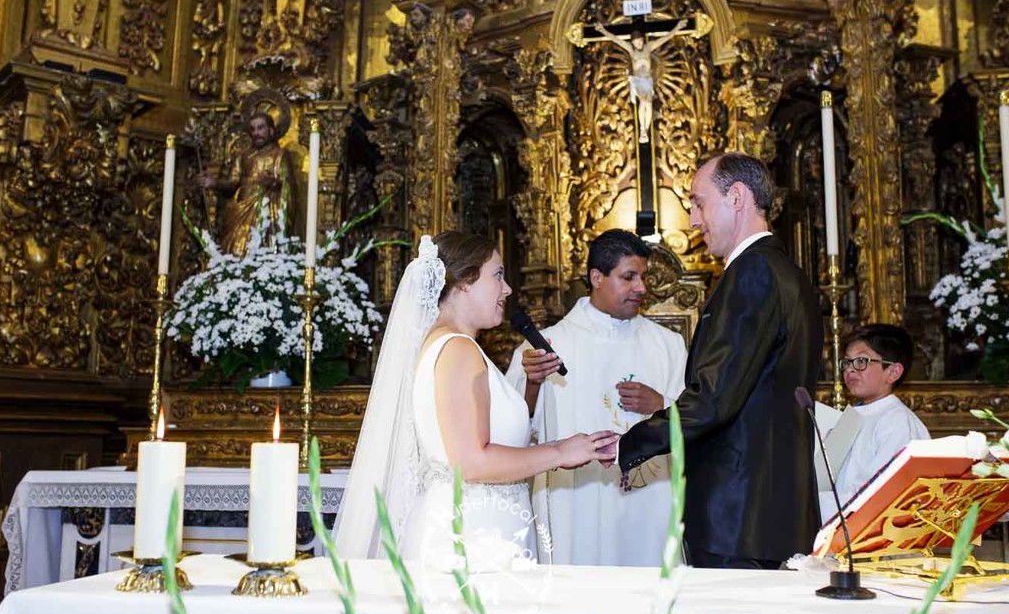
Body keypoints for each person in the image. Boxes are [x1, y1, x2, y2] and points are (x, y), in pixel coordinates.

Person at [334, 232, 618, 562]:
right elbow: (471, 461)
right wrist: (560, 451)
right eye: (497, 275)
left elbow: (490, 434)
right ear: (466, 281)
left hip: (479, 524)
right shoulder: (458, 350)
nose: (507, 289)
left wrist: (532, 385)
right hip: (473, 535)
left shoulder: (452, 346)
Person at [617, 152, 824, 569]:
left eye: (698, 202)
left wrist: (633, 441)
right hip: (774, 514)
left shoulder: (752, 273)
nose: (693, 220)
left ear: (737, 197)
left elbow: (713, 398)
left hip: (738, 518)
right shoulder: (788, 272)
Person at [505, 229, 686, 566]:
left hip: (648, 506)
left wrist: (661, 404)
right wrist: (531, 383)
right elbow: (513, 430)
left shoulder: (668, 345)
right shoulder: (546, 346)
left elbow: (702, 420)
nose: (642, 288)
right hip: (577, 501)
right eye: (628, 277)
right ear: (596, 277)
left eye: (643, 277)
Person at [830, 324, 929, 517]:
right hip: (833, 530)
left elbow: (882, 493)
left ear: (892, 372)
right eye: (847, 362)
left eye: (861, 361)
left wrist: (815, 503)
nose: (850, 370)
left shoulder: (897, 421)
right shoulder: (850, 417)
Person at [200, 112, 298, 256]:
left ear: (271, 131)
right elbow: (232, 183)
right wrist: (214, 183)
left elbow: (288, 187)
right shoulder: (244, 156)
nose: (256, 133)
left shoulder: (280, 155)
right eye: (253, 129)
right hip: (242, 209)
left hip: (266, 211)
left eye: (260, 128)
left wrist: (273, 184)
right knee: (235, 248)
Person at [594, 21, 684, 144]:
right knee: (644, 102)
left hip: (648, 81)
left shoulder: (649, 47)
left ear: (642, 40)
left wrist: (677, 27)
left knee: (649, 104)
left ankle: (645, 129)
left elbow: (665, 38)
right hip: (637, 81)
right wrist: (603, 30)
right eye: (635, 42)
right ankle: (643, 129)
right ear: (633, 42)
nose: (638, 43)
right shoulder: (631, 50)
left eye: (640, 41)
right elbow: (616, 39)